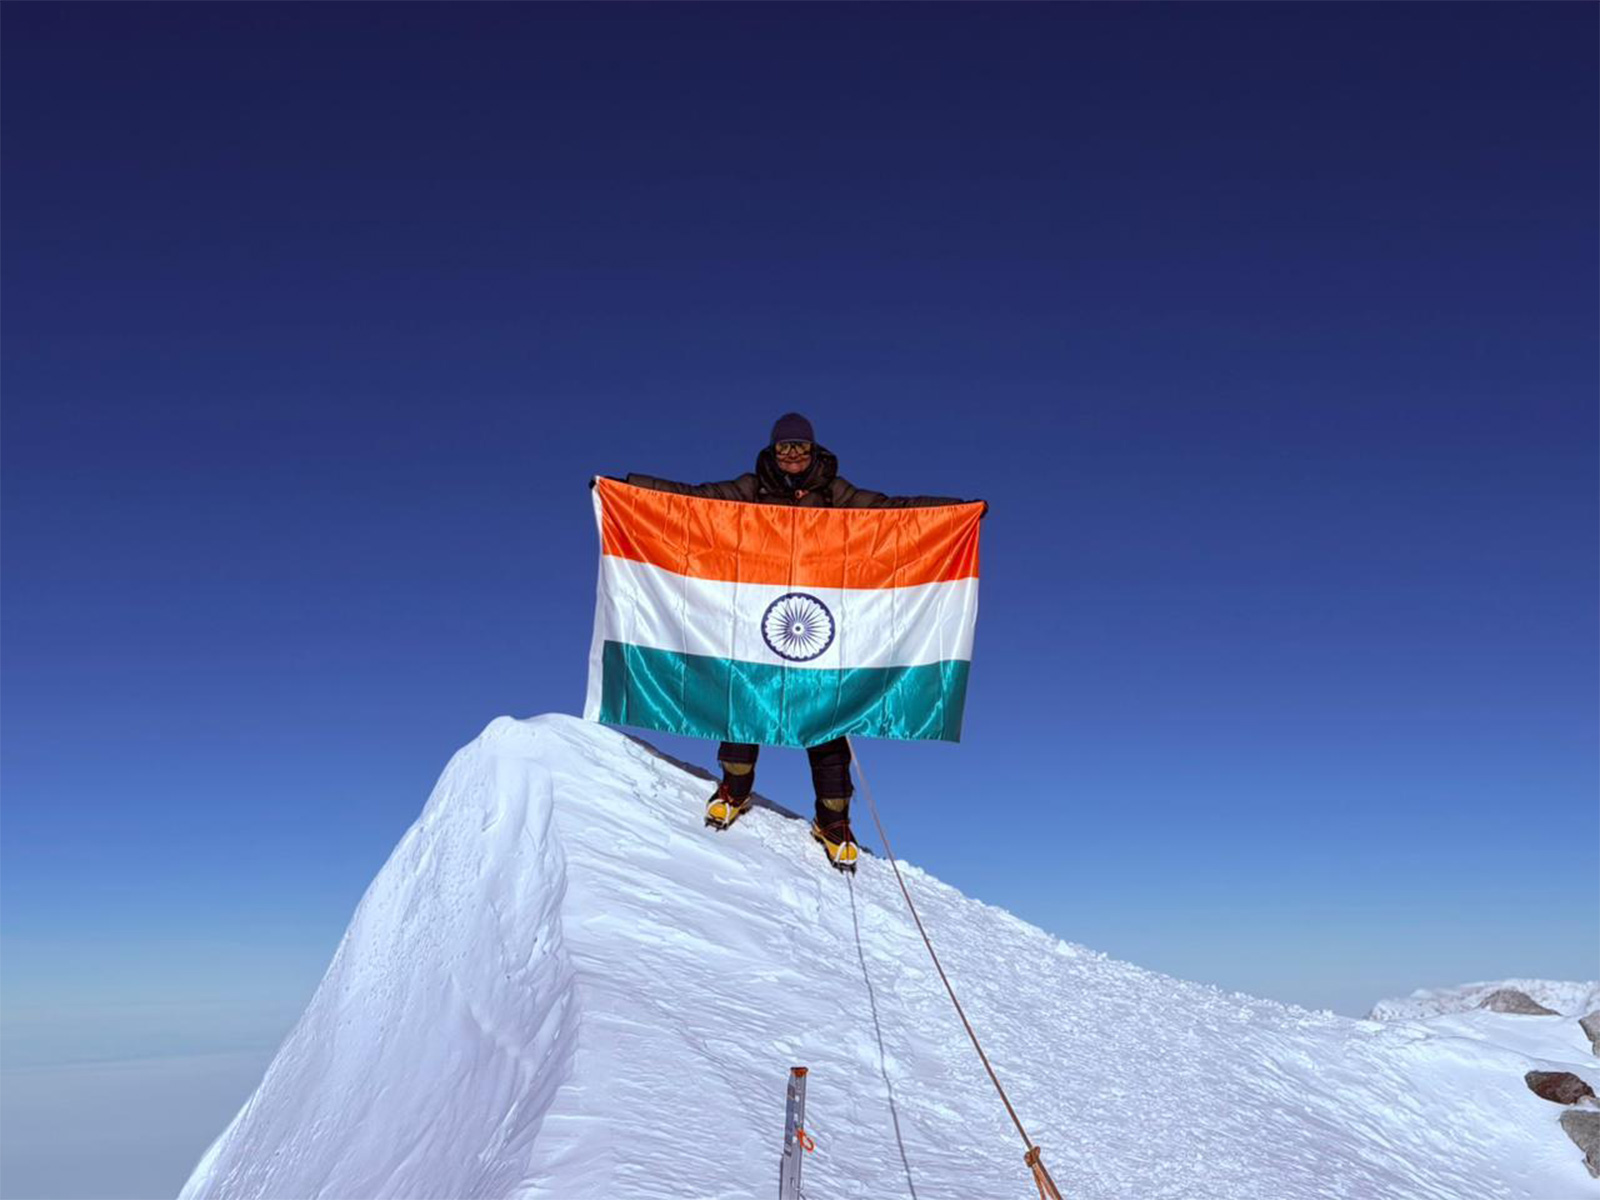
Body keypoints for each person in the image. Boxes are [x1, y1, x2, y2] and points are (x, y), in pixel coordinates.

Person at [622, 413, 976, 870]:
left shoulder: (836, 494)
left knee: (827, 721)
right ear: (773, 451)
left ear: (813, 451)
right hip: (758, 620)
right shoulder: (750, 489)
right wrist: (631, 488)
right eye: (784, 448)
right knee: (745, 705)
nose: (792, 457)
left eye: (800, 449)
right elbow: (694, 501)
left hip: (820, 626)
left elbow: (892, 512)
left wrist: (956, 511)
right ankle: (735, 789)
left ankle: (833, 821)